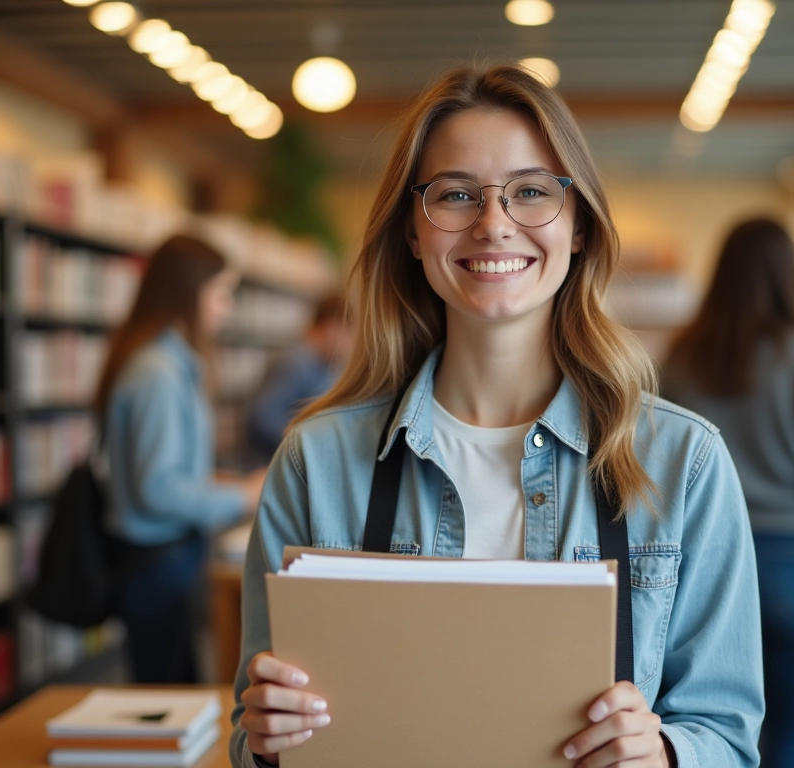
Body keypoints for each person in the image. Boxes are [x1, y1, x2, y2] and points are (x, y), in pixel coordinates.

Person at [229, 65, 764, 768]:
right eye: (455, 194)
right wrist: (267, 739)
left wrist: (663, 753)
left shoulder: (681, 463)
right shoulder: (316, 460)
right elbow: (252, 737)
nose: (493, 224)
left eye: (532, 192)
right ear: (413, 234)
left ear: (578, 229)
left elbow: (727, 739)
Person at [660, 218, 794, 768]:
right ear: (791, 276)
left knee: (702, 735)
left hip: (699, 561)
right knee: (792, 738)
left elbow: (657, 465)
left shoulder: (681, 357)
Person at [94, 234, 266, 684]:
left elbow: (165, 470)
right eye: (221, 293)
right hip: (154, 561)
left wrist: (223, 482)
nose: (226, 307)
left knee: (174, 679)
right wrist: (243, 497)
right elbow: (158, 489)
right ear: (188, 293)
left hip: (163, 556)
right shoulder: (157, 372)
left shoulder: (165, 363)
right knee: (167, 688)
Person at [245, 294, 352, 461]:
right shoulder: (296, 363)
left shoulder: (326, 365)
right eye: (349, 335)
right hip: (272, 465)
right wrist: (308, 444)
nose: (350, 346)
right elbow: (261, 420)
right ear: (332, 328)